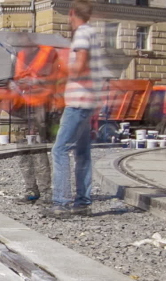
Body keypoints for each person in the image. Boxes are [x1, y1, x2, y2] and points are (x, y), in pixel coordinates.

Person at [43, 0, 102, 218]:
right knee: (82, 153)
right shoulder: (92, 33)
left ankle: (61, 203)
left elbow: (80, 67)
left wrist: (62, 66)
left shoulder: (82, 34)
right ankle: (82, 203)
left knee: (59, 150)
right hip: (88, 101)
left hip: (77, 103)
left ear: (72, 14)